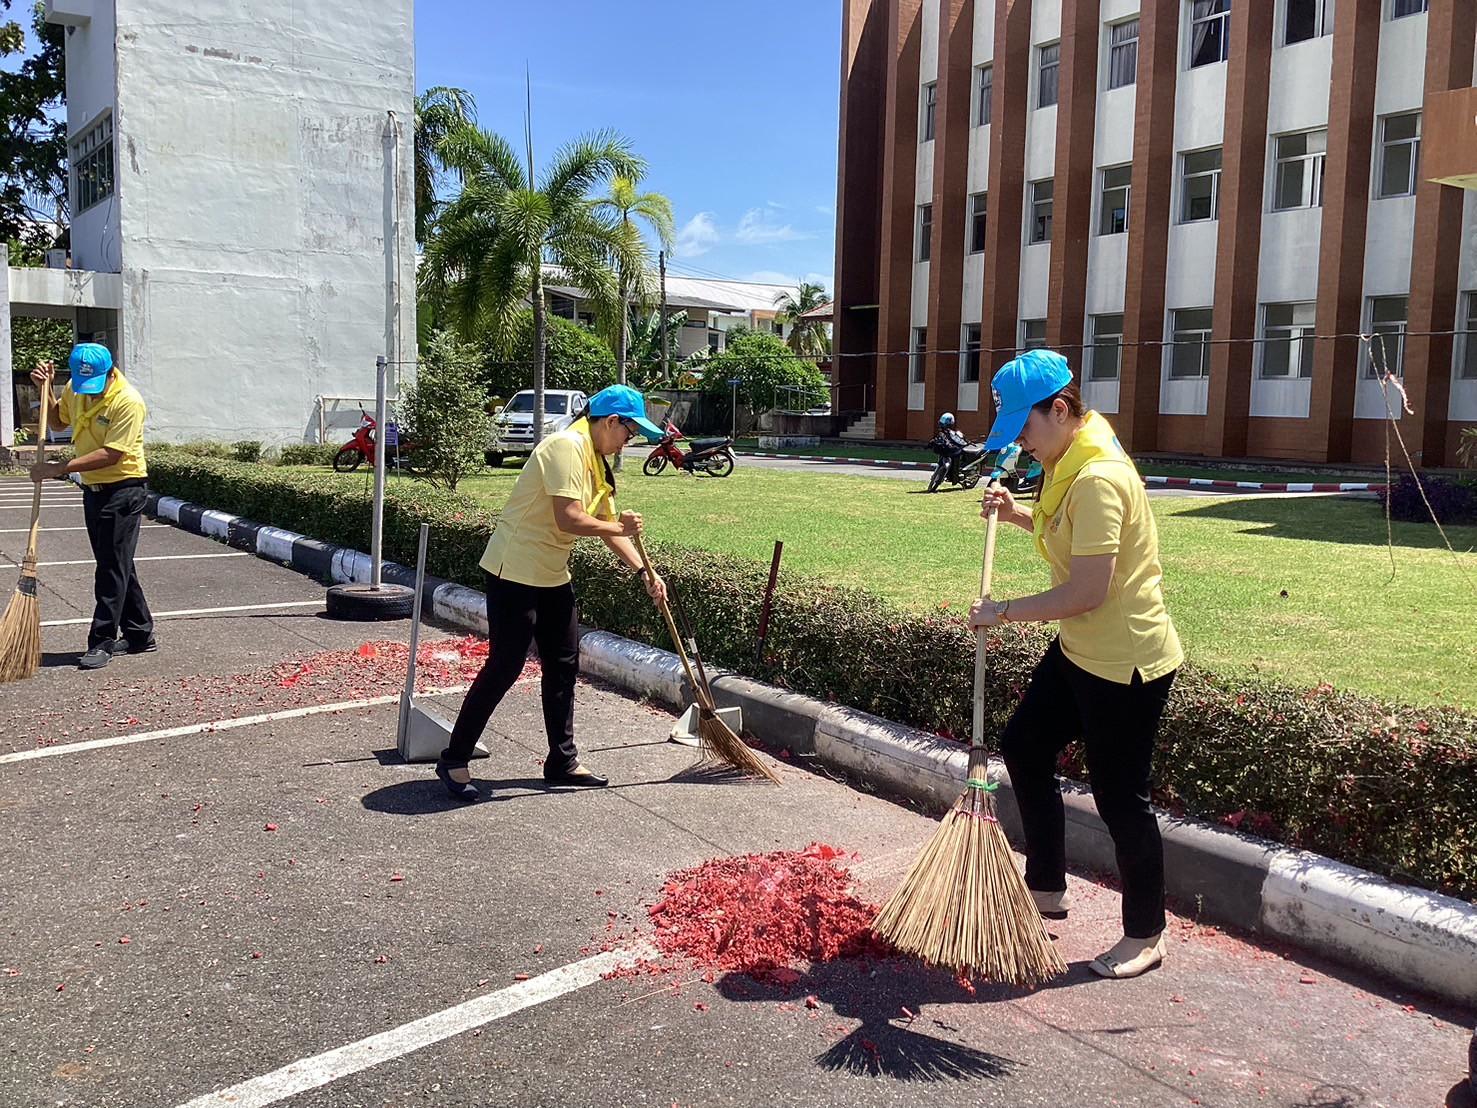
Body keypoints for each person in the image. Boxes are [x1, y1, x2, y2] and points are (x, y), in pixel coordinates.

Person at [967, 349, 1183, 979]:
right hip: (1080, 649)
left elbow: (1089, 589)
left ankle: (1146, 934)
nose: (1021, 443)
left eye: (1025, 428)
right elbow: (1067, 533)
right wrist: (1015, 513)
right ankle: (1046, 886)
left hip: (1125, 664)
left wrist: (1003, 611)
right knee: (1025, 745)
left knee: (1121, 799)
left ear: (1060, 410)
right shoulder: (1067, 458)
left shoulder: (1098, 478)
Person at [434, 384, 669, 801]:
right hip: (514, 570)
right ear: (611, 421)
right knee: (505, 665)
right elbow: (569, 518)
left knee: (563, 664)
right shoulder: (566, 447)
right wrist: (619, 526)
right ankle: (454, 759)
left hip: (551, 573)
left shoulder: (596, 461)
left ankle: (562, 761)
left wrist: (644, 572)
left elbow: (607, 526)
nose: (628, 442)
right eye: (629, 432)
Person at [29, 345, 155, 671]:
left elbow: (111, 454)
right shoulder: (76, 387)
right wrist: (45, 390)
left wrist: (59, 468)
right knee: (116, 562)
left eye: (96, 385)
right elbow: (58, 422)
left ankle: (101, 641)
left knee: (111, 568)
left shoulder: (128, 401)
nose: (91, 392)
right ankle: (140, 633)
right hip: (94, 490)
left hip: (124, 489)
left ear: (110, 372)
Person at [929, 412, 969, 490]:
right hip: (947, 451)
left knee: (958, 453)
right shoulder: (943, 433)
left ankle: (958, 474)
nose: (943, 425)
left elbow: (961, 441)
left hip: (958, 450)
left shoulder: (954, 433)